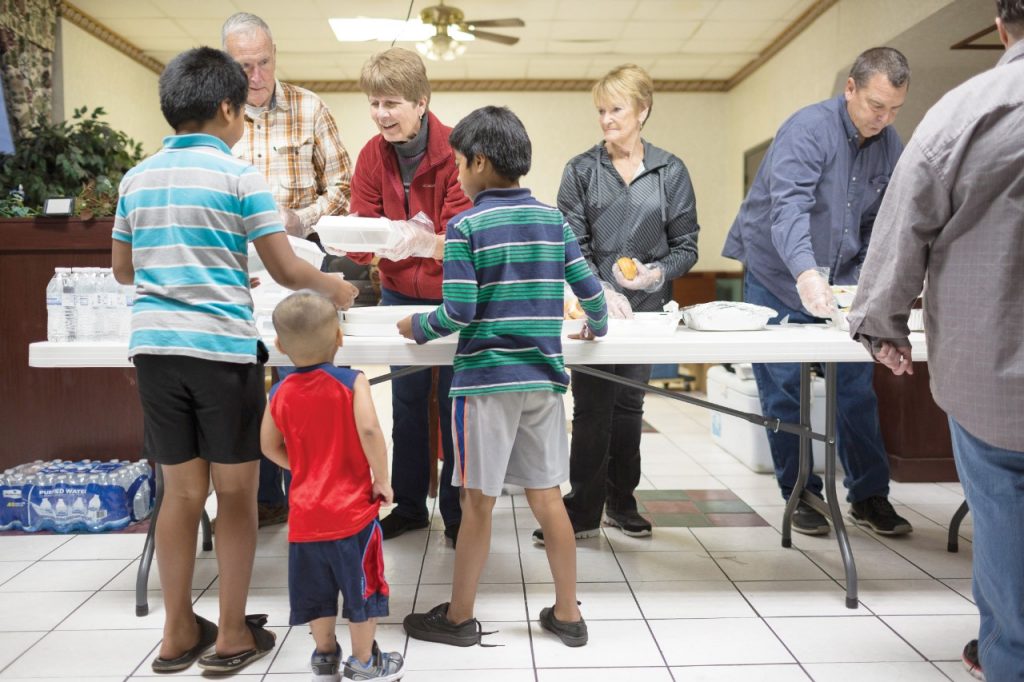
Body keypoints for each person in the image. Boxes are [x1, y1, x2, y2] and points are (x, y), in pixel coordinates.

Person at [110, 47, 356, 674]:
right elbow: (283, 266)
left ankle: (173, 635)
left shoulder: (135, 178)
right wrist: (337, 289)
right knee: (238, 494)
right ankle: (228, 637)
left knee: (181, 494)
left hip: (155, 352)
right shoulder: (240, 177)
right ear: (226, 107)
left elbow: (124, 268)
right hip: (219, 351)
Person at [848, 2, 1024, 678]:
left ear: (1001, 25)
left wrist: (882, 324)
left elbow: (903, 230)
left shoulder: (966, 112)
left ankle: (1009, 656)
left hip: (993, 371)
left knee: (1004, 513)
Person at [397, 106, 607, 648]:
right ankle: (567, 614)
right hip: (542, 381)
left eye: (460, 165)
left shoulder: (466, 226)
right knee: (548, 497)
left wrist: (417, 327)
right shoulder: (552, 220)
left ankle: (459, 617)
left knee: (477, 502)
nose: (458, 176)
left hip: (485, 385)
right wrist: (596, 327)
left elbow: (460, 311)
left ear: (480, 162)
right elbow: (590, 290)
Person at [721, 47, 914, 537]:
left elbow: (879, 224)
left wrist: (875, 279)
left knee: (854, 389)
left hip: (843, 280)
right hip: (777, 275)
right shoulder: (808, 130)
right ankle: (800, 492)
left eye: (894, 109)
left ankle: (870, 497)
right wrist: (807, 274)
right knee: (784, 387)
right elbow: (788, 209)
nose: (883, 119)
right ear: (850, 88)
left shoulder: (890, 144)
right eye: (875, 105)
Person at [536, 64, 699, 543]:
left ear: (642, 111)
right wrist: (600, 291)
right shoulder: (582, 170)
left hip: (648, 311)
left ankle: (622, 503)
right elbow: (570, 243)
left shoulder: (670, 171)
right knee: (590, 405)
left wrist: (656, 274)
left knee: (629, 405)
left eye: (616, 109)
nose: (606, 119)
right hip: (595, 307)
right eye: (601, 111)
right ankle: (582, 508)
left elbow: (687, 245)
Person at [222, 12, 357, 527]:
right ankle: (265, 498)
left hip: (301, 265)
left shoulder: (309, 108)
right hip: (240, 272)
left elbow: (342, 189)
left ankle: (312, 489)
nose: (256, 76)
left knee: (302, 381)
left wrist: (301, 218)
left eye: (264, 62)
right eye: (244, 65)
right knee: (244, 380)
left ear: (275, 54)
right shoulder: (220, 116)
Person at [347, 48, 473, 543]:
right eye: (374, 103)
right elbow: (363, 230)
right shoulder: (370, 156)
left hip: (452, 296)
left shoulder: (455, 151)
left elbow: (461, 234)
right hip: (398, 294)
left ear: (422, 101)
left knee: (452, 403)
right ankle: (410, 507)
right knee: (406, 401)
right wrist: (356, 242)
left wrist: (416, 240)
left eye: (392, 103)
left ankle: (457, 513)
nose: (381, 114)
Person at [260, 292, 404, 681]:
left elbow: (267, 445)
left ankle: (324, 654)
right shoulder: (351, 381)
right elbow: (371, 430)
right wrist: (382, 479)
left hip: (305, 517)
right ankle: (363, 661)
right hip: (352, 514)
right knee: (363, 590)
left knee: (315, 590)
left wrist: (303, 466)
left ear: (279, 345)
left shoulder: (279, 392)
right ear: (340, 338)